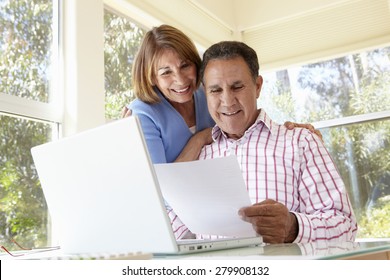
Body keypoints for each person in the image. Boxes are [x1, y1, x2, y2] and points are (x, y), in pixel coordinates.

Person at [171, 41, 357, 243]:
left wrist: (294, 227)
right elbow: (171, 231)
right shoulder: (198, 156)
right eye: (215, 90)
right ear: (205, 92)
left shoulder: (300, 142)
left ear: (257, 86)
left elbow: (345, 226)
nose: (227, 100)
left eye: (237, 86)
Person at [126, 24, 322, 164]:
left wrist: (290, 132)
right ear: (151, 77)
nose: (180, 80)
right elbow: (160, 189)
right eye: (166, 72)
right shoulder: (143, 114)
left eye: (185, 65)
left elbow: (246, 124)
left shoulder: (208, 92)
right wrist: (199, 139)